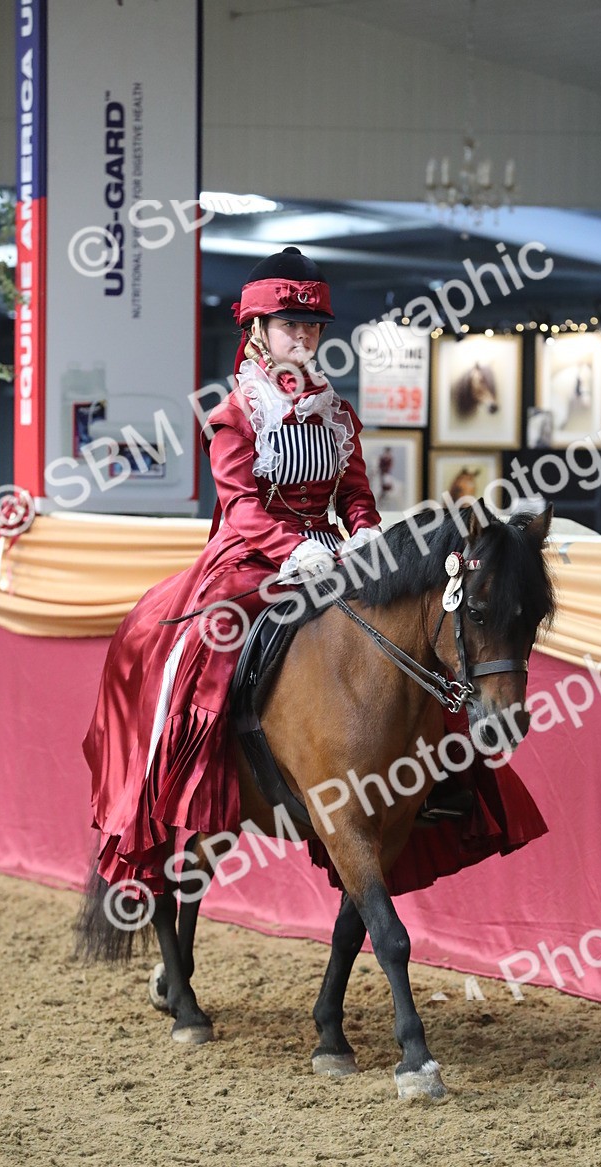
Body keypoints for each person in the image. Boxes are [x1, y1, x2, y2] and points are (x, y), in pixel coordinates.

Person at [83, 247, 382, 890]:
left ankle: (439, 781)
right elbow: (242, 507)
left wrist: (364, 534)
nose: (304, 337)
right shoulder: (234, 413)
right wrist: (294, 550)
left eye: (312, 327)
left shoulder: (336, 411)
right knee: (208, 649)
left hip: (330, 548)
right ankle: (186, 775)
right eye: (290, 325)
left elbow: (356, 492)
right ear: (258, 329)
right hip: (252, 556)